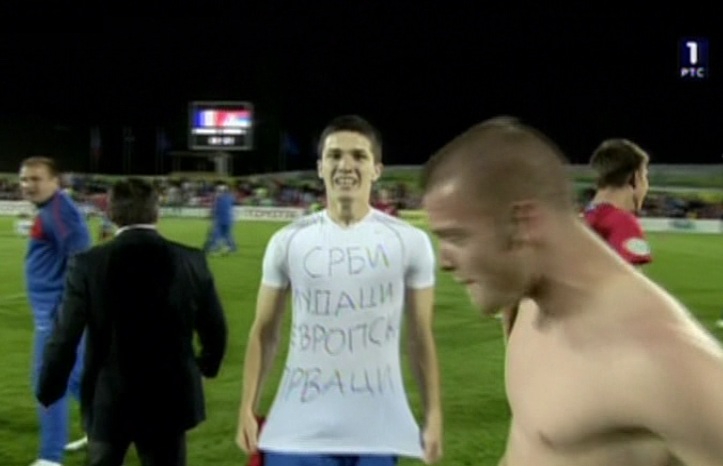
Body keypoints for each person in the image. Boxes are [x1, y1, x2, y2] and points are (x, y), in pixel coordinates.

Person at [420, 117, 723, 465]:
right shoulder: (531, 305)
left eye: (456, 237)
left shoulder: (665, 364)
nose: (444, 262)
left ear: (521, 223)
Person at [236, 115, 443, 466]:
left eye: (359, 156)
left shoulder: (410, 243)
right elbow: (265, 330)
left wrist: (434, 413)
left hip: (375, 430)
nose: (346, 165)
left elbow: (420, 335)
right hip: (299, 428)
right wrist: (247, 406)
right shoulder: (287, 241)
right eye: (334, 155)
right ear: (320, 167)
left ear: (376, 169)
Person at [35, 178, 228, 466]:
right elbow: (215, 329)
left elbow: (65, 336)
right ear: (156, 212)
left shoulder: (87, 264)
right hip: (169, 397)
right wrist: (207, 365)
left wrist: (49, 387)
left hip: (108, 397)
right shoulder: (191, 259)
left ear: (111, 213)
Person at [20, 156, 91, 466]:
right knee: (75, 379)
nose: (28, 185)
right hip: (56, 312)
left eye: (36, 179)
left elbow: (81, 257)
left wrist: (68, 311)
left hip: (57, 315)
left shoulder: (59, 211)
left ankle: (50, 457)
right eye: (24, 179)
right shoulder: (51, 210)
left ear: (55, 181)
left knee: (47, 381)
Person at [583, 138, 652, 266]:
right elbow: (628, 278)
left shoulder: (582, 218)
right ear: (636, 177)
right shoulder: (623, 222)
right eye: (645, 176)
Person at [204, 183, 237, 255]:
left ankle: (213, 248)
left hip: (221, 220)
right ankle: (232, 248)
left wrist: (211, 215)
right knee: (227, 235)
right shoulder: (229, 198)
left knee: (216, 235)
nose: (217, 192)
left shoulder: (219, 199)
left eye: (219, 191)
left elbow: (215, 210)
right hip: (228, 220)